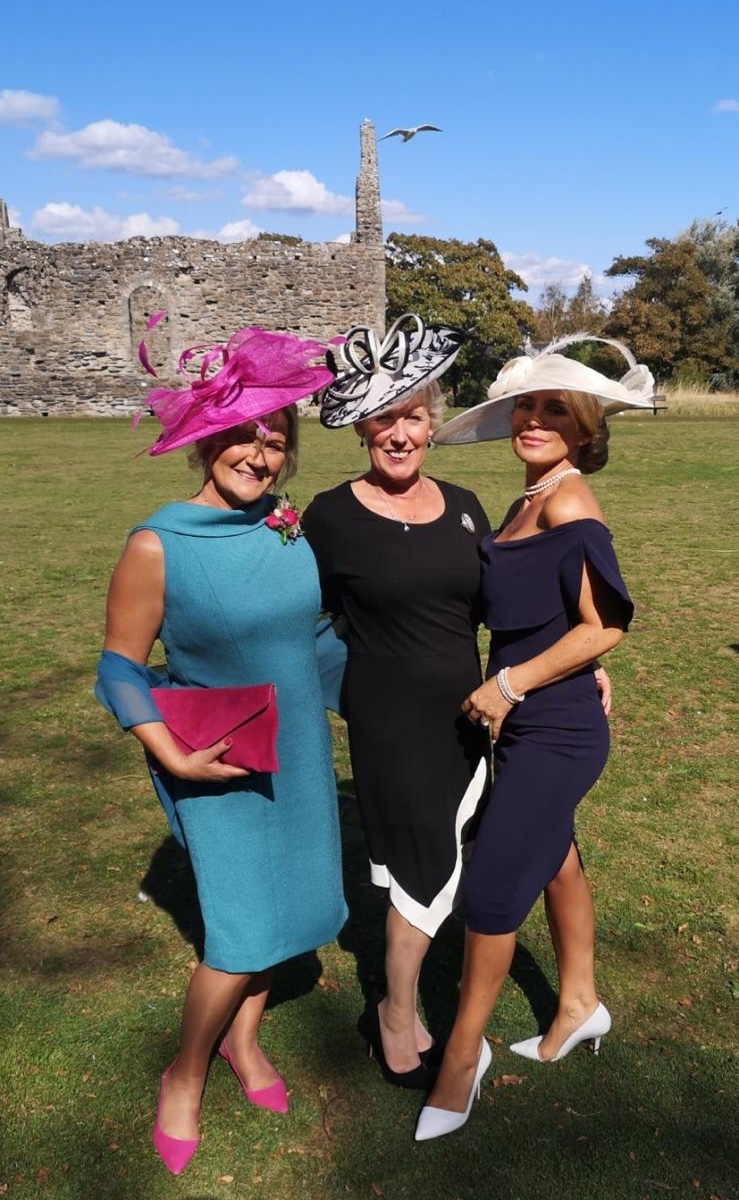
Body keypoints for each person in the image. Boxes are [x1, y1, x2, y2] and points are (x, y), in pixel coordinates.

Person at [302, 317, 612, 1090]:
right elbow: (295, 615)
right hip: (392, 722)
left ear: (432, 424)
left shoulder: (469, 507)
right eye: (383, 420)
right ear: (361, 429)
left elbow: (522, 605)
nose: (398, 435)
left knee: (537, 842)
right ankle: (397, 1013)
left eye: (412, 417)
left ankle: (578, 1000)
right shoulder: (329, 517)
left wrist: (579, 664)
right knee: (424, 864)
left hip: (476, 716)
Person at [95, 324, 347, 1175]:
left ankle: (245, 1041)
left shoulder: (284, 528)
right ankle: (185, 1073)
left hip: (298, 754)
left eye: (275, 441)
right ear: (206, 439)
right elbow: (119, 665)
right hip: (217, 762)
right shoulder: (157, 544)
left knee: (288, 911)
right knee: (238, 932)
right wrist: (170, 756)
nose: (259, 455)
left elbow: (312, 639)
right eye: (242, 436)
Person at [414, 335, 655, 1140]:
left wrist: (511, 683)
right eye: (525, 405)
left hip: (556, 729)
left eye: (556, 409)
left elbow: (604, 624)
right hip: (529, 723)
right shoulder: (527, 499)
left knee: (490, 888)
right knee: (555, 858)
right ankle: (579, 1003)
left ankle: (461, 1056)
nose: (533, 419)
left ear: (584, 428)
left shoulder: (567, 503)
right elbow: (558, 617)